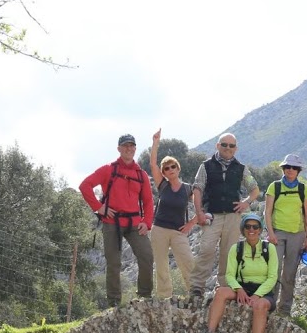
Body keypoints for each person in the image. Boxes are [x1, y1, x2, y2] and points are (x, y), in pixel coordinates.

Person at [79, 133, 154, 307]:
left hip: (135, 222)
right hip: (112, 222)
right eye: (125, 146)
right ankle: (114, 303)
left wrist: (147, 222)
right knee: (113, 262)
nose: (129, 149)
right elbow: (85, 185)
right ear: (119, 149)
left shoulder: (141, 174)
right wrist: (99, 208)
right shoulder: (108, 169)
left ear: (135, 149)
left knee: (147, 256)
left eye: (131, 146)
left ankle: (144, 297)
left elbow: (148, 201)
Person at [194, 213, 278, 333]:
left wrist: (258, 295)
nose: (251, 230)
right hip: (242, 287)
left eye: (255, 227)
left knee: (260, 306)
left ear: (260, 230)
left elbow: (272, 277)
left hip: (264, 291)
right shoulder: (236, 248)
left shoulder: (269, 249)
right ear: (243, 229)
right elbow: (229, 275)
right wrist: (238, 289)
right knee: (220, 292)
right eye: (247, 226)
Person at [190, 132, 260, 301]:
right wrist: (198, 212)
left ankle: (224, 287)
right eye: (224, 145)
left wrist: (246, 202)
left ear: (236, 149)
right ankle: (197, 287)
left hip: (233, 216)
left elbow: (255, 189)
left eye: (231, 146)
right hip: (211, 215)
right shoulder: (205, 166)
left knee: (228, 253)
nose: (228, 148)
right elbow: (197, 189)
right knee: (206, 248)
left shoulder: (242, 168)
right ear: (217, 146)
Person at [148, 128, 196, 298]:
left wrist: (191, 223)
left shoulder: (189, 188)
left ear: (178, 168)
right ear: (164, 173)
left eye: (173, 166)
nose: (170, 169)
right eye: (167, 168)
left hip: (178, 231)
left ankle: (195, 295)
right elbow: (153, 164)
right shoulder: (163, 185)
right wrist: (155, 143)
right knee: (161, 265)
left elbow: (202, 207)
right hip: (159, 229)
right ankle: (164, 298)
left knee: (188, 262)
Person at [263, 153, 307, 316]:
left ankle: (285, 309)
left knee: (289, 274)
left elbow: (306, 215)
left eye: (294, 168)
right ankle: (269, 306)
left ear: (298, 170)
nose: (290, 170)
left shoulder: (303, 189)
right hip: (277, 233)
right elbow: (267, 212)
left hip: (297, 235)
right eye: (287, 167)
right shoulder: (274, 187)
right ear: (283, 169)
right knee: (273, 272)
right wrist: (270, 234)